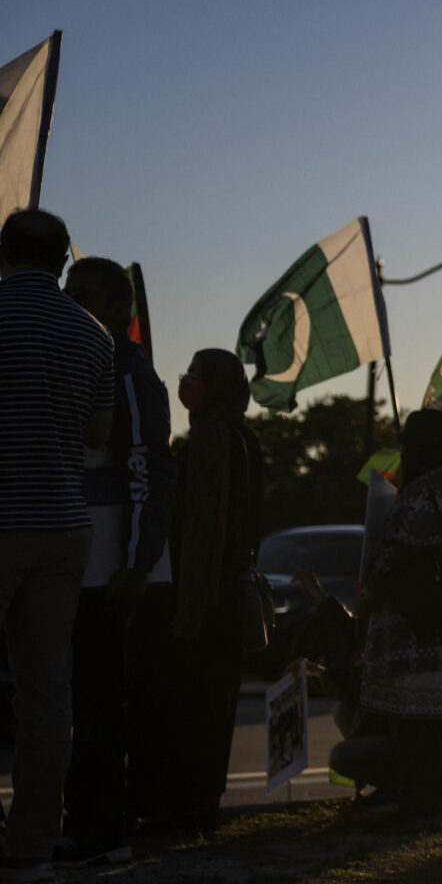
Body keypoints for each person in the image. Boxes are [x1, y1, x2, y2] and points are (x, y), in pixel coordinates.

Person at [0, 209, 115, 883]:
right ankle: (32, 844)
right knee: (46, 692)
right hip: (64, 525)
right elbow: (97, 435)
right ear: (64, 261)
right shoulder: (93, 333)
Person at [58, 257, 177, 867]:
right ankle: (83, 822)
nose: (70, 303)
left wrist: (135, 561)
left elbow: (145, 472)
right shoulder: (87, 365)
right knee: (79, 700)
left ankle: (103, 831)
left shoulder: (127, 373)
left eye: (83, 295)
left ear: (118, 309)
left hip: (114, 572)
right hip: (85, 565)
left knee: (101, 704)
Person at [145, 349, 262, 831]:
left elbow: (201, 527)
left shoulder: (213, 440)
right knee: (211, 707)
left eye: (197, 375)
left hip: (201, 598)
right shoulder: (243, 438)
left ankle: (183, 807)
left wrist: (187, 602)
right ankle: (198, 803)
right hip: (223, 596)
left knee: (189, 703)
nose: (186, 381)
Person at [354, 408, 442, 820]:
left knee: (415, 732)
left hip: (416, 630)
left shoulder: (423, 489)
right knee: (432, 729)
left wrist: (367, 594)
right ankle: (422, 805)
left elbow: (395, 556)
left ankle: (416, 809)